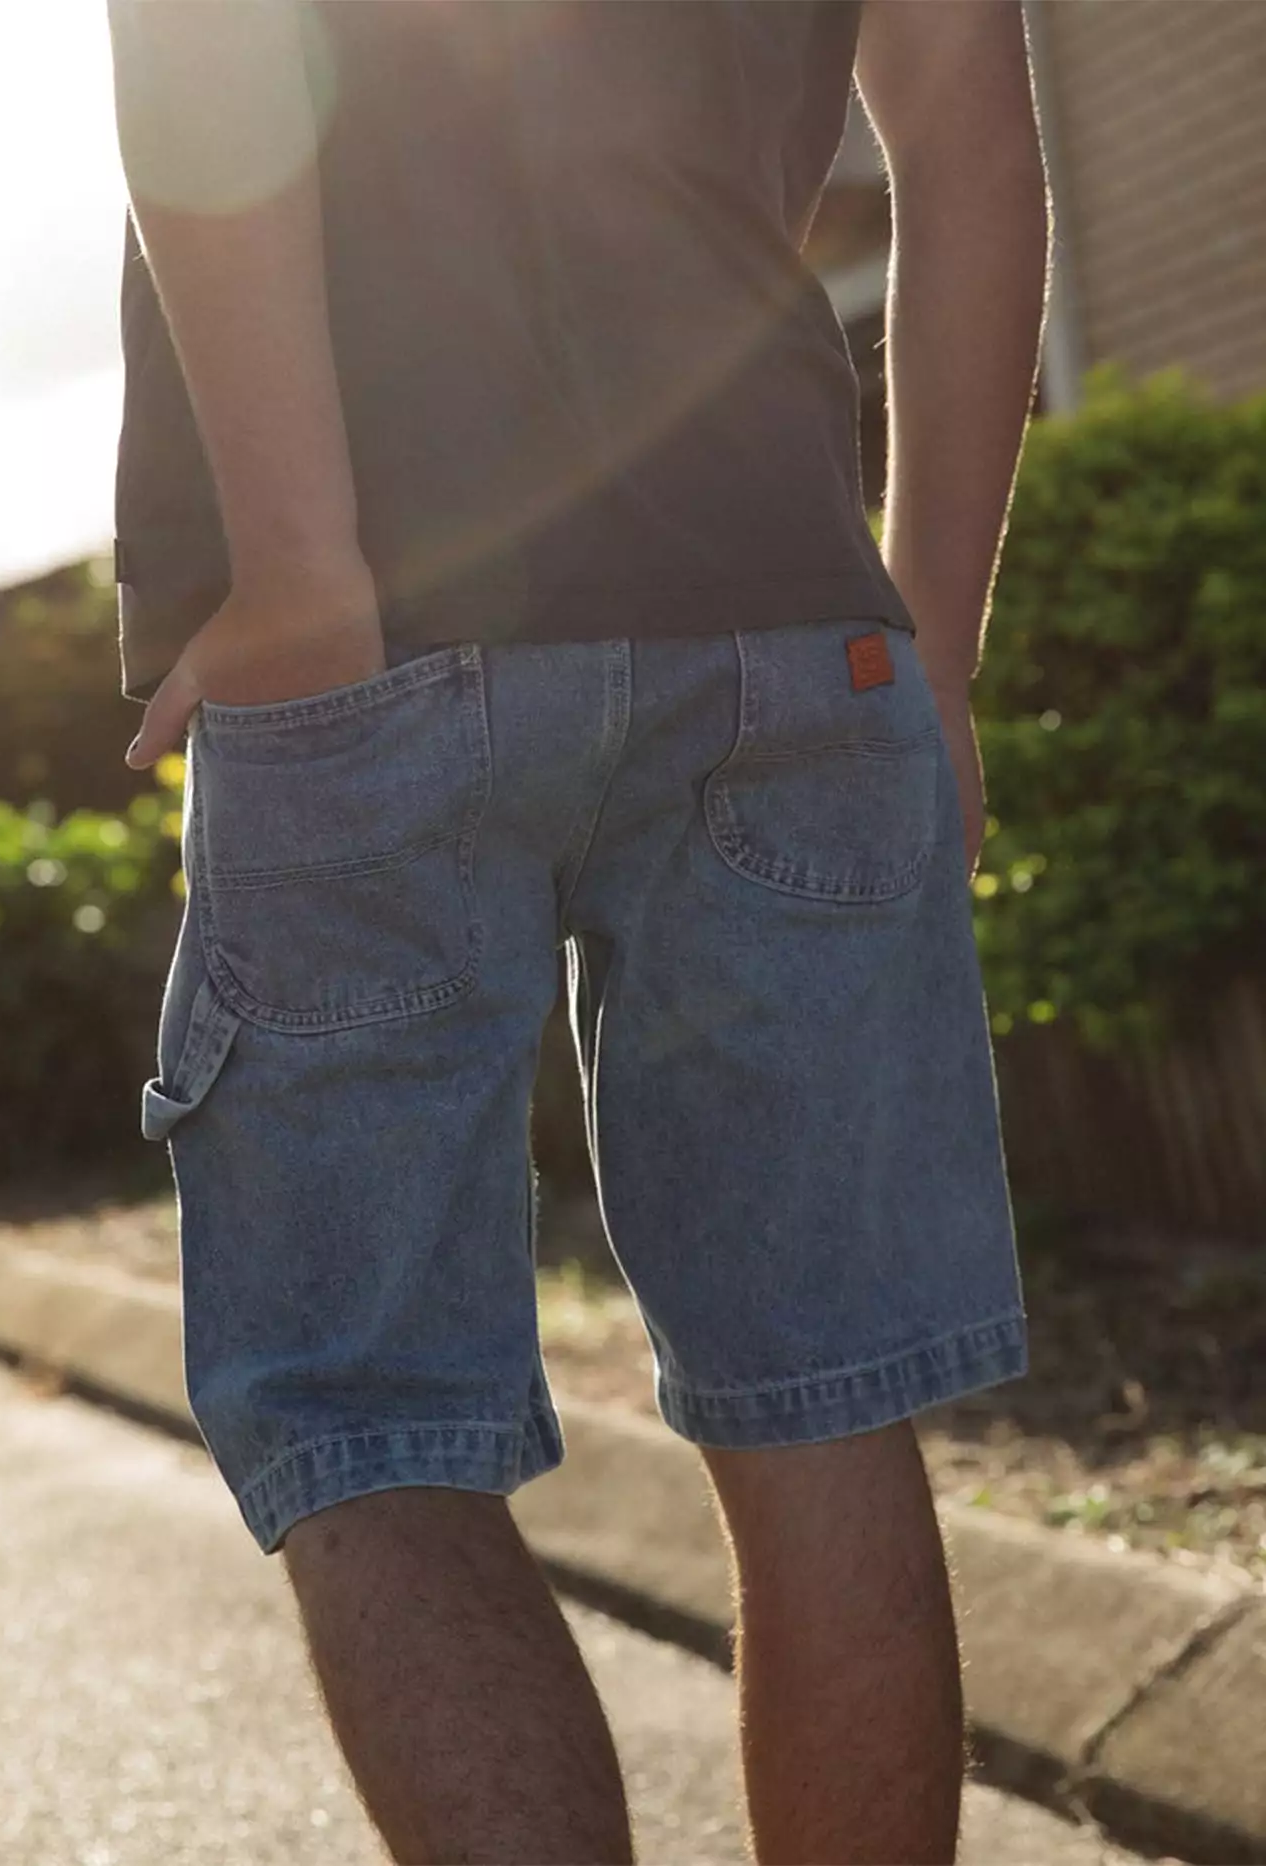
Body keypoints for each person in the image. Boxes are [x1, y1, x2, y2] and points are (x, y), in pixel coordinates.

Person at [106, 3, 1048, 1860]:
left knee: (374, 1420)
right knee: (824, 1396)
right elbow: (970, 129)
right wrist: (932, 651)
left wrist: (298, 556)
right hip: (782, 610)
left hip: (376, 613)